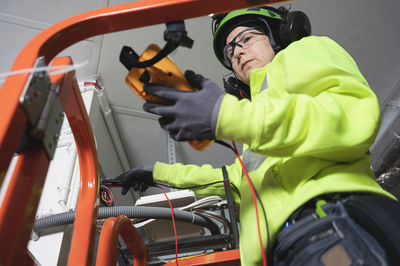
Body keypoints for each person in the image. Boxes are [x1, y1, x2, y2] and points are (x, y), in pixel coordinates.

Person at [114, 6, 400, 266]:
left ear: (278, 36)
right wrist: (156, 173)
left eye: (247, 38)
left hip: (331, 221)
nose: (237, 52)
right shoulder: (255, 124)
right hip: (283, 249)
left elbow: (350, 117)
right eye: (230, 51)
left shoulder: (301, 53)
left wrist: (227, 116)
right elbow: (231, 179)